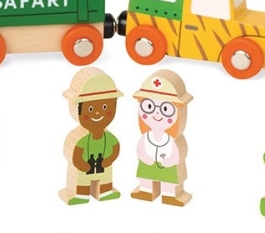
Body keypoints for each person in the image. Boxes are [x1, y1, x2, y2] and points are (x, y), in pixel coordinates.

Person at [61, 68, 122, 204]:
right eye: (90, 109)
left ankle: (105, 192)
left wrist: (109, 159)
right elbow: (75, 154)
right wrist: (82, 164)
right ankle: (80, 195)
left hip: (103, 165)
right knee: (82, 182)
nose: (97, 113)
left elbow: (115, 147)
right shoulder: (80, 137)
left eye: (105, 107)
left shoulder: (108, 136)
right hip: (85, 167)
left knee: (105, 180)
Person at [131, 70, 192, 206]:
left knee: (169, 181)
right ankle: (146, 191)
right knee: (146, 178)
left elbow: (179, 153)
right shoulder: (146, 136)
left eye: (165, 109)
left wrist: (171, 160)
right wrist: (143, 156)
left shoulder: (172, 140)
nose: (157, 113)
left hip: (167, 166)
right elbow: (141, 148)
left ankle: (170, 195)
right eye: (149, 107)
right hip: (147, 164)